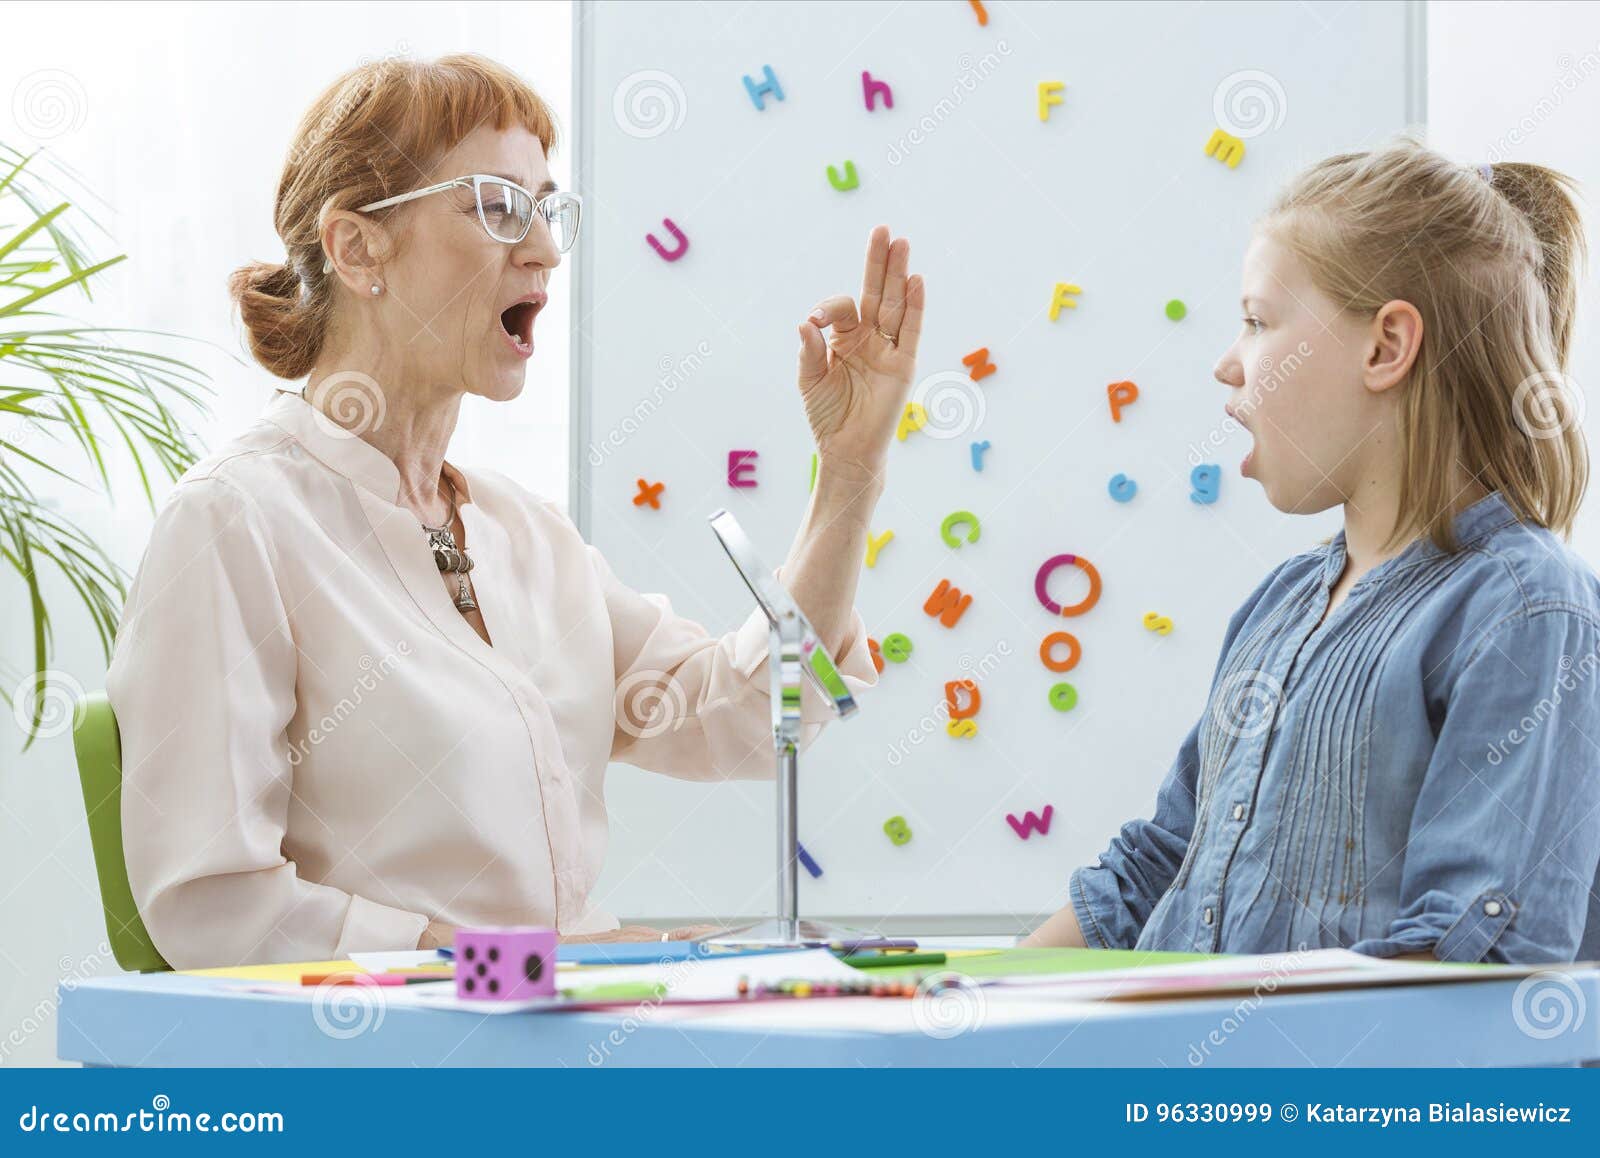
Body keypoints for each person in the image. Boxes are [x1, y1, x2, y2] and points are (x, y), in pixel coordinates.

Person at [105, 54, 925, 968]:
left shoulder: (525, 535)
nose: (543, 248)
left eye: (546, 208)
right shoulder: (234, 524)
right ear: (357, 247)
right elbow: (209, 903)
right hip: (405, 1069)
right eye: (497, 204)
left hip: (561, 1034)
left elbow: (745, 713)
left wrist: (849, 473)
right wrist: (519, 970)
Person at [1026, 141, 1600, 963]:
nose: (1227, 363)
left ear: (1385, 347)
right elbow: (1159, 870)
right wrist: (965, 1006)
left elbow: (1463, 964)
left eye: (1259, 322)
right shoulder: (1280, 604)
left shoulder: (1527, 611)